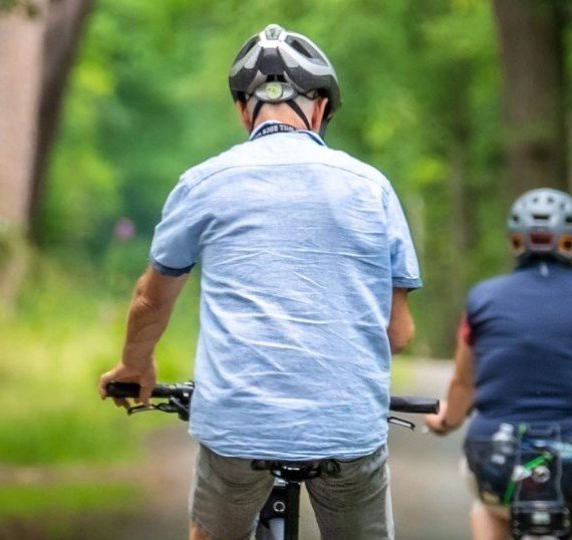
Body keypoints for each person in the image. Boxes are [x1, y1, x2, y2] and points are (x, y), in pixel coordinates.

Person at [96, 23, 421, 540]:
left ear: (244, 110)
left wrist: (135, 364)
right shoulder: (371, 188)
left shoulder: (204, 182)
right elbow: (398, 334)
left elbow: (149, 299)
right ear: (319, 109)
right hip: (346, 431)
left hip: (237, 429)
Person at [425, 188, 572, 540]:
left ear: (515, 240)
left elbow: (464, 384)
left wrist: (448, 420)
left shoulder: (482, 300)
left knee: (488, 509)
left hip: (497, 456)